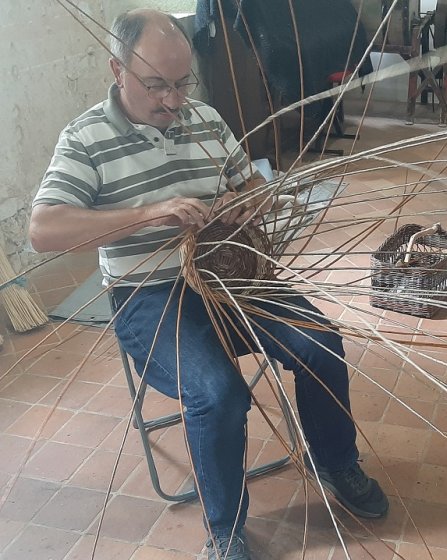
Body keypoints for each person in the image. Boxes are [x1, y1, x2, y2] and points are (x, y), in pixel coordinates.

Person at [28, 9, 388, 560]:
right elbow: (43, 230)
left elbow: (249, 181)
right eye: (156, 86)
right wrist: (148, 215)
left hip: (231, 275)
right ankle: (225, 529)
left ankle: (337, 463)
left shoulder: (205, 118)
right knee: (218, 392)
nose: (173, 101)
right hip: (149, 294)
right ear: (117, 70)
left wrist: (247, 201)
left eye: (181, 83)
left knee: (319, 341)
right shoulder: (85, 140)